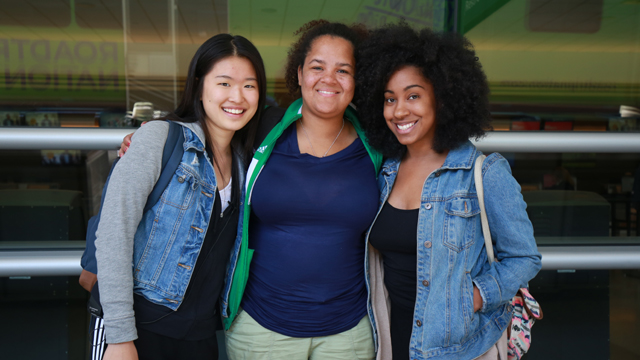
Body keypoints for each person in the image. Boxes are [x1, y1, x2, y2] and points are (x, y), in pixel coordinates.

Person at [355, 24, 542, 359]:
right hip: (389, 339)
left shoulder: (482, 173)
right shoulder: (385, 170)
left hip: (458, 346)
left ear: (441, 98)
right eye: (389, 99)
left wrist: (474, 296)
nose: (399, 111)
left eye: (413, 96)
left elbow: (524, 257)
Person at [95, 33, 266, 360]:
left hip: (200, 338)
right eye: (224, 83)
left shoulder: (247, 164)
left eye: (249, 85)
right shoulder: (159, 138)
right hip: (139, 329)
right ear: (199, 87)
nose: (237, 96)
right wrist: (119, 337)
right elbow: (115, 233)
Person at [221, 20, 381, 360]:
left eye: (343, 70)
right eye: (317, 67)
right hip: (261, 330)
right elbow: (202, 131)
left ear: (356, 81)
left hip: (349, 334)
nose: (328, 79)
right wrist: (156, 132)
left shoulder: (379, 144)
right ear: (299, 74)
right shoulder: (261, 128)